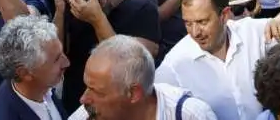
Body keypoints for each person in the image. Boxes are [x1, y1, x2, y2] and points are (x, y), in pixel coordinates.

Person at [156, 0, 280, 120]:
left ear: (224, 15)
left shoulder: (253, 32)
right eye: (188, 23)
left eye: (202, 22)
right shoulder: (174, 64)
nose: (195, 32)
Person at [55, 0, 160, 113]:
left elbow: (134, 68)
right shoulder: (75, 5)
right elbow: (56, 56)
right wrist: (60, 11)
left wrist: (97, 18)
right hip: (77, 106)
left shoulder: (143, 10)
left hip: (120, 109)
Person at [72, 35, 218, 120]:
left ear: (134, 93)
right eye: (87, 87)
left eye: (96, 91)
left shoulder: (189, 115)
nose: (83, 99)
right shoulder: (86, 115)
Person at [0, 15, 69, 119]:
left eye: (61, 53)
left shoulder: (41, 86)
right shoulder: (4, 115)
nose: (67, 63)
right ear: (24, 73)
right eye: (56, 60)